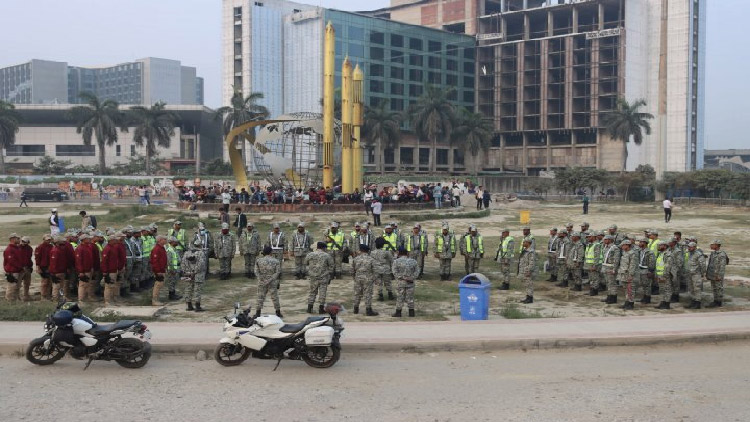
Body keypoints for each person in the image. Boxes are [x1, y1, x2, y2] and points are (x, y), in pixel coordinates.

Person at [304, 242, 334, 314]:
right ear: (324, 248)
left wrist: (310, 271)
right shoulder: (327, 255)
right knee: (322, 293)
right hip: (323, 277)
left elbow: (305, 263)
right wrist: (328, 274)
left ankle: (309, 307)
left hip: (313, 277)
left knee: (312, 292)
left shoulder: (310, 254)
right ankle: (321, 308)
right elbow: (331, 266)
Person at [254, 246, 282, 318]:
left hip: (262, 281)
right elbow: (278, 272)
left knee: (260, 296)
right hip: (272, 281)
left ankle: (258, 313)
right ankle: (278, 312)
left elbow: (256, 271)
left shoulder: (258, 260)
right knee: (274, 297)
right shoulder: (276, 261)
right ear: (271, 252)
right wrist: (271, 279)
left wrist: (261, 279)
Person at [391, 248, 420, 317]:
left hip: (400, 283)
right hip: (410, 283)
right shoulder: (413, 261)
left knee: (400, 297)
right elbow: (417, 271)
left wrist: (402, 277)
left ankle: (398, 312)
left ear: (399, 253)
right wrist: (412, 278)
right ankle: (411, 312)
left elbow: (394, 272)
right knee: (410, 298)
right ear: (407, 253)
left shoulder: (396, 261)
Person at [351, 244, 379, 316]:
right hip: (368, 279)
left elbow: (352, 270)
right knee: (368, 294)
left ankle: (355, 309)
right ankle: (368, 310)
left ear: (360, 250)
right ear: (368, 251)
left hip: (358, 278)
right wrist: (375, 279)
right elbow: (375, 270)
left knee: (357, 294)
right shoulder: (371, 259)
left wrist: (354, 277)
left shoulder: (355, 259)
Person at [183, 239, 207, 312]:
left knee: (188, 289)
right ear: (200, 245)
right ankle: (197, 306)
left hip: (188, 274)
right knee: (197, 290)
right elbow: (201, 265)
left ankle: (189, 305)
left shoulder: (186, 253)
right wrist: (195, 272)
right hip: (198, 275)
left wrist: (188, 272)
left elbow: (183, 264)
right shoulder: (201, 253)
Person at [616, 240, 639, 310]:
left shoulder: (633, 254)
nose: (622, 247)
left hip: (630, 275)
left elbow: (632, 265)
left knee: (630, 290)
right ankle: (627, 302)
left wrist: (631, 275)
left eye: (623, 245)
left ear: (627, 245)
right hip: (624, 274)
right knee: (626, 289)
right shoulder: (625, 253)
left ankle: (630, 304)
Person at [706, 239, 728, 308]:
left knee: (718, 288)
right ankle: (715, 301)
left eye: (712, 244)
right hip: (713, 275)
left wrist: (719, 276)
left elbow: (722, 266)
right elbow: (710, 264)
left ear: (716, 245)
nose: (711, 246)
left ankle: (719, 302)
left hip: (718, 275)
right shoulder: (713, 253)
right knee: (714, 288)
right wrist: (708, 275)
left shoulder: (722, 254)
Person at [371, 237, 395, 301]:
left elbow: (371, 262)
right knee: (388, 282)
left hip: (376, 269)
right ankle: (390, 294)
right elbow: (392, 260)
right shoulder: (387, 252)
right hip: (386, 269)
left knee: (379, 283)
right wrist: (393, 270)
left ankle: (380, 295)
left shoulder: (372, 252)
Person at [685, 241, 707, 309]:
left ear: (694, 247)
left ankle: (698, 303)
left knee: (697, 288)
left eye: (690, 247)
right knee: (691, 288)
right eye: (688, 247)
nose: (689, 248)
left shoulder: (699, 254)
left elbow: (703, 265)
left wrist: (702, 273)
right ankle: (693, 301)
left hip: (696, 274)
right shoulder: (689, 254)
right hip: (689, 274)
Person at [654, 241, 674, 309]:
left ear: (665, 246)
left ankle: (667, 303)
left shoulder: (668, 254)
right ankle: (662, 302)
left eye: (660, 245)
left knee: (667, 290)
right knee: (661, 290)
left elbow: (667, 266)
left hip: (665, 275)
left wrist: (664, 275)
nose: (658, 247)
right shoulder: (660, 254)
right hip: (660, 275)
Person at [4, 234, 23, 302]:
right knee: (12, 287)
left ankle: (15, 300)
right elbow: (11, 261)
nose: (19, 240)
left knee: (17, 287)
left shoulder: (17, 248)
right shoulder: (9, 249)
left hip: (18, 270)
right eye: (17, 238)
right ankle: (9, 301)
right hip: (13, 271)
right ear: (12, 239)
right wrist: (20, 267)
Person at [150, 236, 168, 306]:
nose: (166, 240)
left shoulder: (162, 248)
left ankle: (157, 299)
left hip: (162, 269)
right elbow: (155, 261)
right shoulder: (156, 249)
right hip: (159, 270)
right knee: (158, 284)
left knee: (160, 284)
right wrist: (158, 271)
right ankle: (154, 300)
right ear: (160, 240)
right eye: (164, 239)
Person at [34, 235, 54, 301]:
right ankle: (43, 296)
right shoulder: (40, 247)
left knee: (50, 281)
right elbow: (37, 258)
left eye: (49, 239)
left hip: (50, 266)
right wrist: (38, 266)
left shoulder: (51, 246)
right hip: (43, 266)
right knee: (44, 282)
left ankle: (48, 295)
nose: (48, 241)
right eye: (47, 239)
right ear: (44, 239)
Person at [517, 238, 536, 304]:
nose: (523, 243)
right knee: (526, 284)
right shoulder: (525, 250)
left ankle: (530, 298)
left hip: (527, 271)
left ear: (528, 243)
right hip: (524, 270)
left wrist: (529, 271)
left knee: (529, 284)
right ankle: (527, 297)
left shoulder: (531, 251)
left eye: (524, 242)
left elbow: (532, 262)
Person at [18, 236, 34, 302]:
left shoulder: (30, 248)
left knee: (27, 283)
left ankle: (26, 295)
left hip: (27, 267)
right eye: (23, 241)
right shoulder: (17, 248)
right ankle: (17, 297)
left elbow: (29, 258)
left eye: (25, 242)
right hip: (19, 268)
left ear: (28, 242)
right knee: (18, 284)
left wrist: (30, 266)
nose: (23, 243)